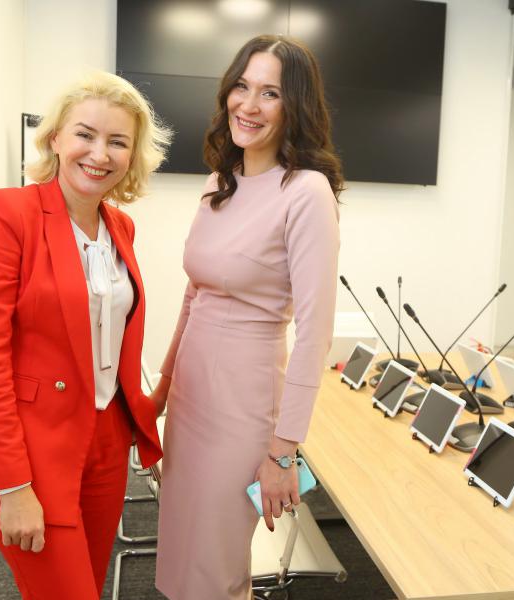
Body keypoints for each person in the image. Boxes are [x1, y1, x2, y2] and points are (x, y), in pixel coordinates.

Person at [0, 71, 171, 600]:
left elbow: (107, 340)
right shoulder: (7, 214)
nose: (100, 153)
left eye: (118, 141)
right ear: (54, 138)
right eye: (85, 135)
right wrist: (12, 485)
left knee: (87, 585)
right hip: (32, 449)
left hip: (106, 441)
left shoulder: (120, 227)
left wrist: (145, 406)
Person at [153, 35, 343, 600]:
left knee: (215, 566)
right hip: (189, 396)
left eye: (270, 93)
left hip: (244, 403)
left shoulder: (306, 192)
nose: (249, 105)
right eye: (242, 86)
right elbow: (194, 295)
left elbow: (315, 336)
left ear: (295, 106)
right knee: (180, 549)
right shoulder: (219, 182)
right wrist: (160, 391)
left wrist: (284, 450)